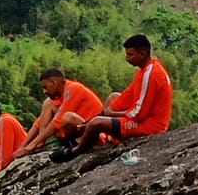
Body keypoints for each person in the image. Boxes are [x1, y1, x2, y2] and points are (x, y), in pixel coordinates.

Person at [51, 34, 172, 163]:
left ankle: (74, 151)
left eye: (130, 55)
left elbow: (139, 113)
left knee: (96, 123)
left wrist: (111, 115)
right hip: (143, 119)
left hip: (150, 126)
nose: (127, 58)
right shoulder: (145, 71)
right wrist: (104, 113)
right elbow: (127, 96)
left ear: (142, 54)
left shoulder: (151, 74)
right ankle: (101, 136)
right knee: (112, 100)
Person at [14, 68, 104, 158]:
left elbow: (58, 121)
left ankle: (40, 144)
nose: (44, 92)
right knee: (48, 103)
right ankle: (40, 145)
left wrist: (32, 144)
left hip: (93, 134)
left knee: (67, 117)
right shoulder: (58, 98)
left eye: (45, 87)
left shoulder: (73, 88)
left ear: (54, 83)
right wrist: (22, 147)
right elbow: (39, 122)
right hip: (75, 133)